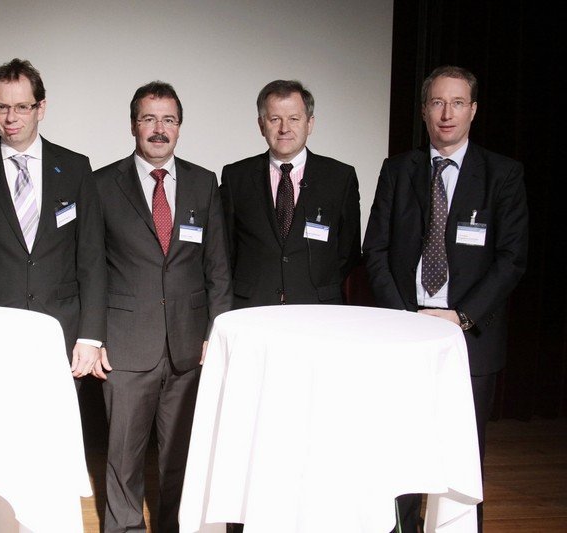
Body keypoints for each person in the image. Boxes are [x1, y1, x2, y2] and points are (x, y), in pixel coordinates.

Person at [362, 65, 528, 532]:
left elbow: (512, 259)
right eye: (437, 102)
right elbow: (375, 250)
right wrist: (403, 317)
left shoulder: (502, 174)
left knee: (460, 455)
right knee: (400, 450)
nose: (447, 113)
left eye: (457, 103)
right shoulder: (398, 170)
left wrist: (462, 316)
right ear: (423, 111)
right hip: (404, 331)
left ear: (473, 110)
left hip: (469, 338)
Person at [92, 81, 232, 533]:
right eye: (149, 118)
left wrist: (216, 333)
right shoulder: (101, 184)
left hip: (189, 347)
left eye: (168, 119)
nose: (158, 129)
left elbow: (218, 268)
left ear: (179, 127)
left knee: (181, 459)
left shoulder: (203, 182)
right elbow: (90, 268)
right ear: (133, 124)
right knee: (123, 460)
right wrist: (95, 335)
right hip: (125, 345)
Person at [0, 58, 105, 377]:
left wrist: (90, 336)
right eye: (1, 107)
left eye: (21, 107)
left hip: (62, 330)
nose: (10, 117)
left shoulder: (75, 168)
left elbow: (92, 257)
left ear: (40, 108)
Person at [220, 80, 360, 309]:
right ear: (261, 125)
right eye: (275, 119)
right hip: (252, 307)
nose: (284, 128)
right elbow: (226, 248)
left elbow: (348, 251)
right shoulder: (236, 177)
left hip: (317, 307)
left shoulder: (340, 178)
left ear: (310, 123)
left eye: (294, 119)